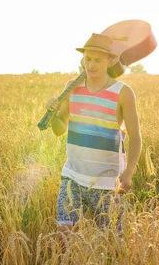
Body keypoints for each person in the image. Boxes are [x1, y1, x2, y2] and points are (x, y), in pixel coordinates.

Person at [45, 33, 142, 235]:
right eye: (88, 59)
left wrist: (130, 171)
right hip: (72, 176)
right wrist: (54, 115)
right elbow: (59, 129)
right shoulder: (72, 87)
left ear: (111, 61)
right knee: (64, 235)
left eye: (97, 60)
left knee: (111, 242)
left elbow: (135, 136)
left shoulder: (123, 93)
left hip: (108, 182)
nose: (91, 65)